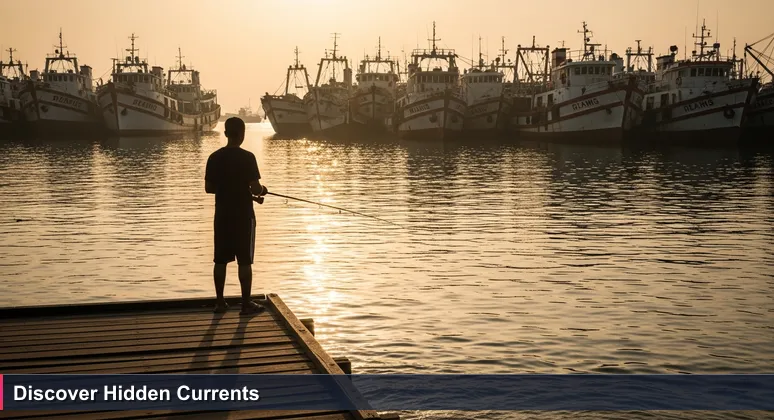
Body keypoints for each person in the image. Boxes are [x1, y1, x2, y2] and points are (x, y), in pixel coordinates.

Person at [205, 117, 268, 314]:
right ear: (242, 135)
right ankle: (246, 303)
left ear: (225, 134)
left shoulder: (214, 157)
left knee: (220, 260)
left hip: (222, 215)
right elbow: (256, 188)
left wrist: (228, 188)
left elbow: (209, 188)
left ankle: (220, 302)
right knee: (244, 260)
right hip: (244, 216)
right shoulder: (248, 157)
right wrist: (262, 191)